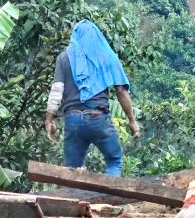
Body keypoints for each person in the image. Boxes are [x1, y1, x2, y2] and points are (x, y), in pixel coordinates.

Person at [45, 20, 140, 176]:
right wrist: (132, 121)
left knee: (72, 172)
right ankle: (108, 197)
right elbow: (121, 90)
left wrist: (49, 120)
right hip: (98, 117)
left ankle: (75, 199)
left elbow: (56, 91)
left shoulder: (64, 58)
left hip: (72, 119)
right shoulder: (107, 56)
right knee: (114, 160)